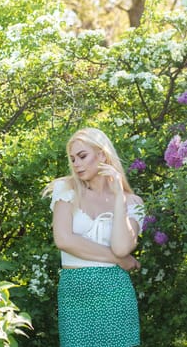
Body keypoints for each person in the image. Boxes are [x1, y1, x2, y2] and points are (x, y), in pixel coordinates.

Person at [44, 127, 145, 347]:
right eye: (72, 159)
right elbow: (64, 240)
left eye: (82, 156)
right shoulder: (66, 189)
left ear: (102, 155)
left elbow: (121, 248)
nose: (76, 164)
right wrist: (119, 260)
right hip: (75, 294)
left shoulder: (132, 203)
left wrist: (119, 196)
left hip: (116, 294)